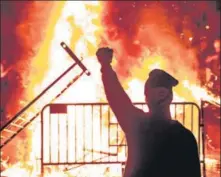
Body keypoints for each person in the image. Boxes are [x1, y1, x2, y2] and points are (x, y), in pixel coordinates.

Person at [96, 47, 201, 177]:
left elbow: (117, 98)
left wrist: (105, 66)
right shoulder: (185, 137)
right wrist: (105, 68)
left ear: (146, 98)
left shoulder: (137, 124)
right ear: (171, 98)